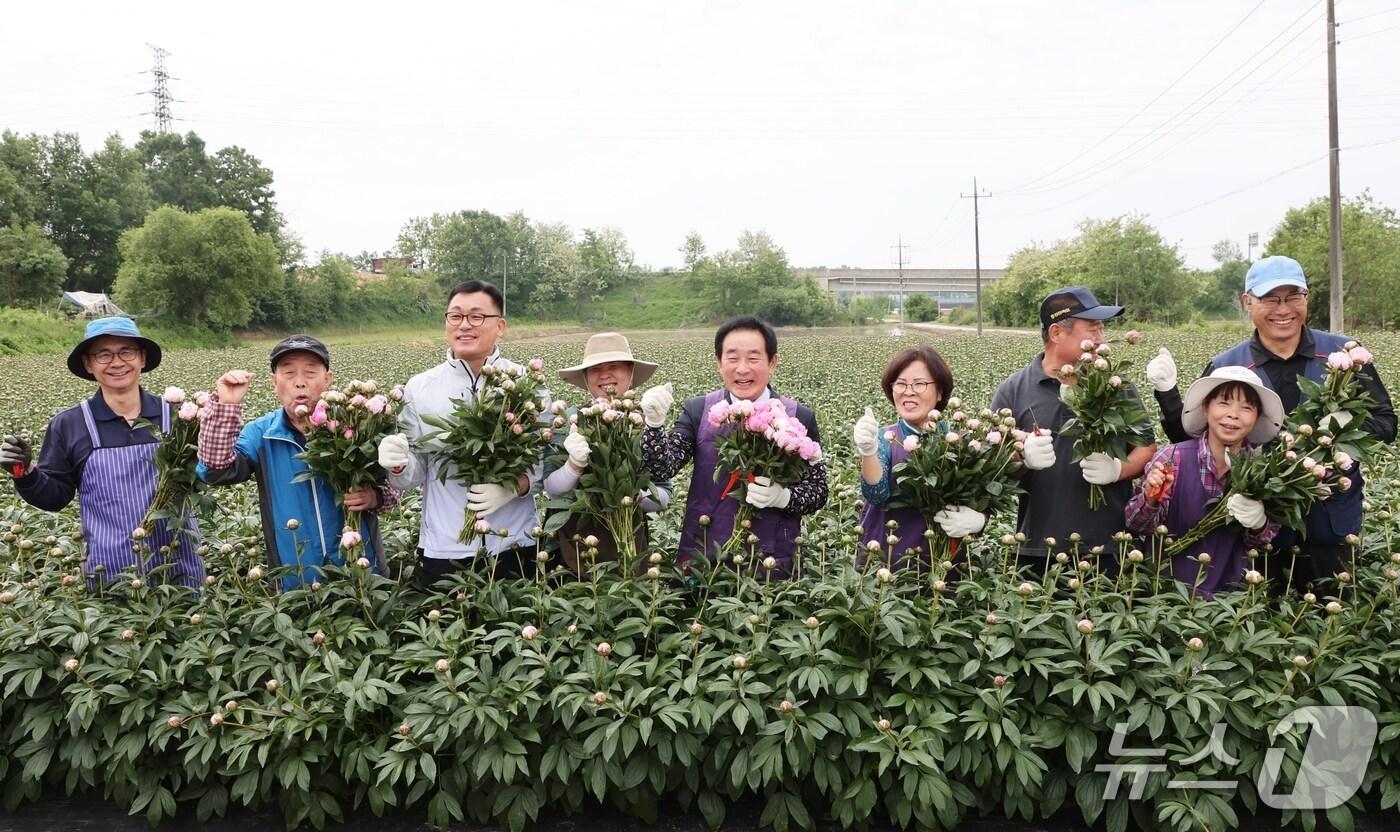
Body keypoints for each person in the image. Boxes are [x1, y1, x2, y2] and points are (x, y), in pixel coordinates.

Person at [1146, 256, 1396, 586]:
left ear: (1306, 299)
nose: (1283, 309)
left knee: (1331, 614)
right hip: (1254, 523)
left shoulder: (1344, 355)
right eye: (1270, 299)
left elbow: (1386, 423)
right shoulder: (1229, 366)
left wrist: (1345, 431)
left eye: (1294, 297)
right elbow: (1193, 439)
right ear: (1247, 302)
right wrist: (1168, 395)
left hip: (1330, 522)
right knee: (1260, 612)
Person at [2, 317, 205, 586]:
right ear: (88, 364)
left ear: (142, 358)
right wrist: (25, 472)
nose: (117, 362)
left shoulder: (180, 417)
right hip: (110, 576)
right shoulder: (69, 424)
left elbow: (212, 472)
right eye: (103, 354)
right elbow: (56, 496)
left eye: (126, 352)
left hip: (181, 569)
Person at [377, 280, 547, 585]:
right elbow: (412, 477)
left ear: (500, 325)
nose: (464, 325)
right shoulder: (420, 387)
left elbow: (546, 463)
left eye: (477, 316)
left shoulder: (526, 385)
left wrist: (515, 486)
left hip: (514, 543)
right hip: (444, 548)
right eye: (455, 316)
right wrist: (398, 464)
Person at [196, 336, 398, 590]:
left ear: (328, 379)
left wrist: (376, 497)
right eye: (288, 372)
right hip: (295, 582)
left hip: (362, 572)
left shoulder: (357, 426)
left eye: (311, 372)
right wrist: (227, 405)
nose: (299, 382)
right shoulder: (261, 434)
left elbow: (395, 486)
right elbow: (215, 471)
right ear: (274, 382)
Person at [639, 316, 827, 578]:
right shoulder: (699, 410)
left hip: (772, 558)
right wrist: (655, 426)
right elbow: (663, 468)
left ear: (772, 362)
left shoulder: (798, 416)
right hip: (704, 553)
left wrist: (785, 497)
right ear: (718, 363)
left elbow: (818, 491)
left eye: (753, 358)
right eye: (732, 358)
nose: (742, 369)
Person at [991, 287, 1157, 569]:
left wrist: (1118, 470)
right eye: (1093, 329)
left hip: (1112, 546)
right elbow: (995, 468)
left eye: (1102, 329)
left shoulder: (1115, 385)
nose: (1101, 338)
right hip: (1038, 548)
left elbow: (1146, 447)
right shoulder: (1014, 391)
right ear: (1056, 333)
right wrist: (1021, 458)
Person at [1125, 367, 1285, 596]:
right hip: (1165, 592)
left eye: (1246, 408)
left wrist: (1259, 523)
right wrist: (1151, 498)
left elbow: (1263, 542)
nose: (1233, 414)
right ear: (1206, 407)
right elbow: (1136, 524)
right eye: (1224, 403)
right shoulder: (1173, 458)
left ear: (1257, 417)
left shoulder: (1262, 472)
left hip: (1231, 599)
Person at [544, 332, 673, 570]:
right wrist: (574, 464)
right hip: (573, 555)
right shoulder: (568, 422)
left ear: (631, 373)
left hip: (631, 552)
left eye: (615, 366)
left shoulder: (646, 423)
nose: (605, 374)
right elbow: (551, 490)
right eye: (595, 368)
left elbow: (664, 496)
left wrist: (633, 494)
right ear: (585, 377)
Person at [851, 345, 984, 568]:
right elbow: (876, 493)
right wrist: (868, 450)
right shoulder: (885, 438)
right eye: (900, 384)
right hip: (887, 564)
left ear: (940, 391)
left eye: (919, 383)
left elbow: (981, 501)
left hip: (945, 566)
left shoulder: (963, 443)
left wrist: (980, 521)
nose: (908, 391)